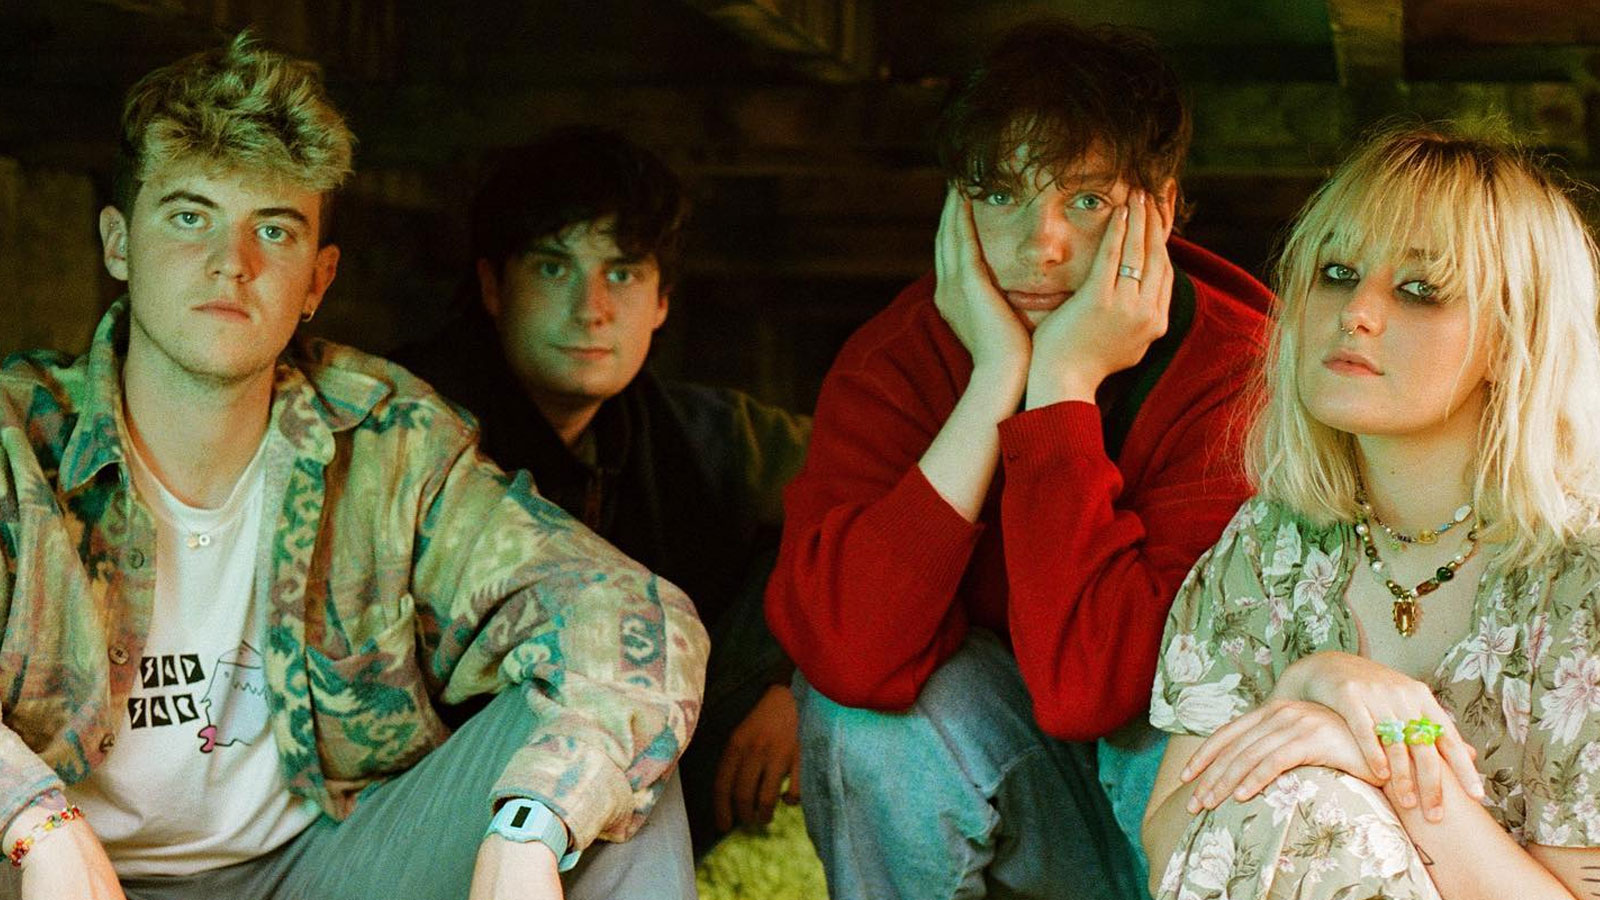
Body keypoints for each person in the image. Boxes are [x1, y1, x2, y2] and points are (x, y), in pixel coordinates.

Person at [0, 33, 706, 900]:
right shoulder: (18, 441)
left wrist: (532, 829)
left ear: (318, 280)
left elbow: (628, 615)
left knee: (605, 761)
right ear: (118, 243)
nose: (232, 263)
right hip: (50, 871)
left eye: (273, 229)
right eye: (189, 216)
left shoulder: (387, 440)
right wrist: (36, 822)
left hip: (319, 871)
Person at [763, 16, 1272, 900]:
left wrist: (1064, 385)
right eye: (998, 194)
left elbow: (1095, 685)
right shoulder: (897, 359)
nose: (1041, 243)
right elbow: (846, 653)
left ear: (1161, 208)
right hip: (1030, 792)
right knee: (862, 721)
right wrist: (995, 381)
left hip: (1180, 813)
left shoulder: (1241, 374)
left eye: (1087, 201)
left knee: (1185, 714)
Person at [1142, 127, 1600, 899]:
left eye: (1420, 289)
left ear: (1512, 337)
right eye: (1337, 273)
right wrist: (1307, 686)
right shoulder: (1268, 547)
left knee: (1310, 797)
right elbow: (1170, 849)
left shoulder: (1581, 574)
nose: (1356, 311)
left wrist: (1374, 755)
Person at [394, 127, 811, 856]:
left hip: (635, 783)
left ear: (662, 301)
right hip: (438, 792)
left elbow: (873, 488)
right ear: (493, 287)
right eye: (554, 267)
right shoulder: (406, 422)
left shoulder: (692, 433)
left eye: (622, 273)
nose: (591, 309)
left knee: (815, 548)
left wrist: (802, 683)